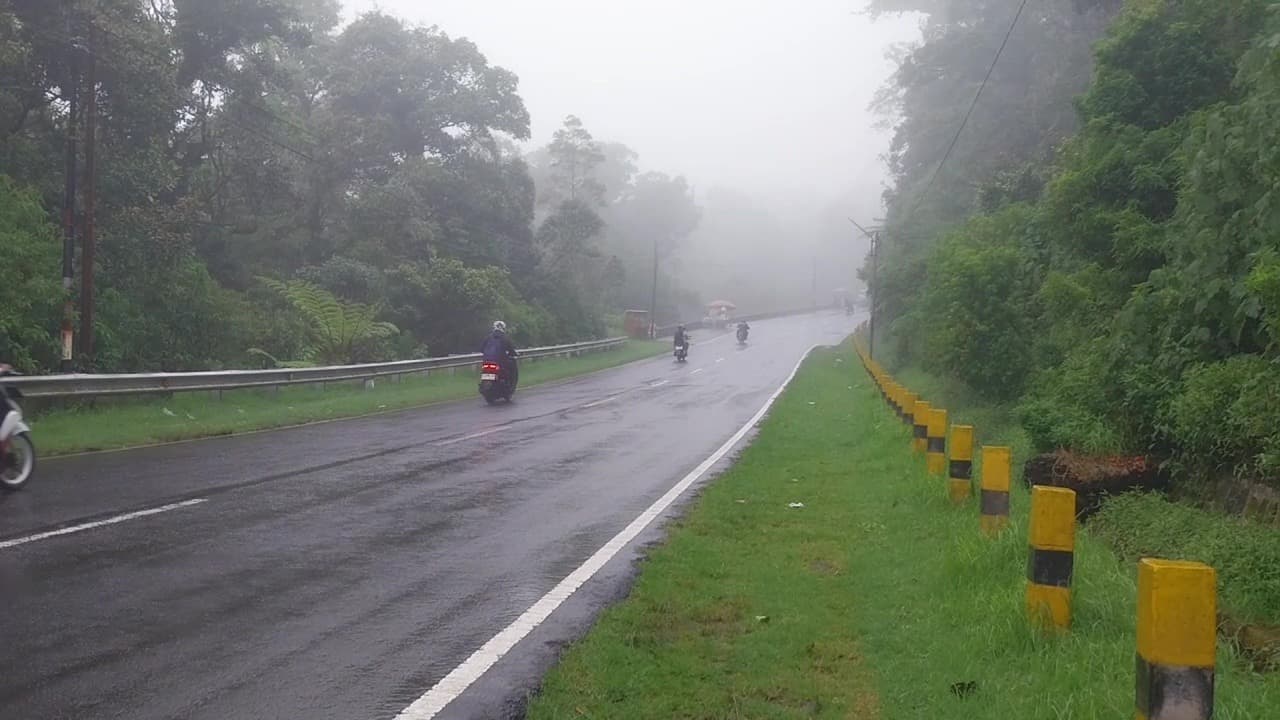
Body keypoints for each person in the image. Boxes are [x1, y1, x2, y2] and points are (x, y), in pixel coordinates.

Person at [480, 321, 519, 390]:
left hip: (487, 361)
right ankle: (509, 386)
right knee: (510, 368)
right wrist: (514, 354)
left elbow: (481, 348)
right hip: (500, 362)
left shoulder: (488, 337)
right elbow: (511, 349)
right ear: (503, 328)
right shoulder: (505, 338)